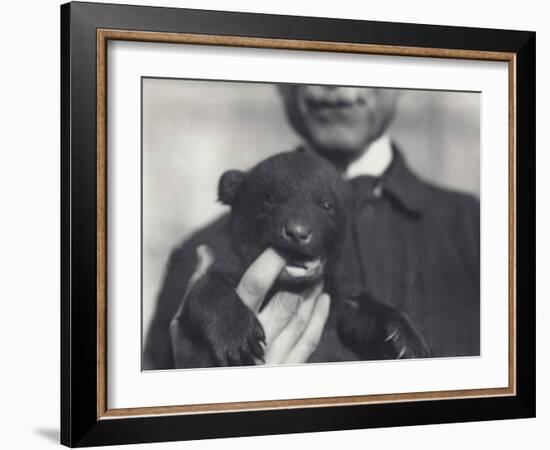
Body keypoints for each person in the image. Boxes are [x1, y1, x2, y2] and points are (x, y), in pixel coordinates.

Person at [143, 85, 480, 370]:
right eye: (310, 51)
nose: (336, 84)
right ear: (279, 82)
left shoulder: (481, 231)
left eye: (362, 54)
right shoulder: (197, 256)